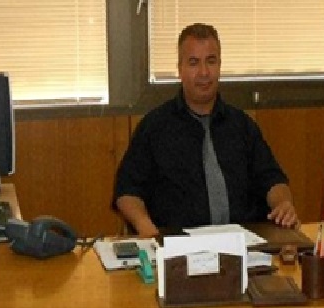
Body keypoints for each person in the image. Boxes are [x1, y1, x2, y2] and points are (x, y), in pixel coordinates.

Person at [113, 23, 299, 237]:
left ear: (219, 65)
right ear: (180, 69)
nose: (204, 72)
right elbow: (127, 191)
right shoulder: (154, 127)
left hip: (244, 243)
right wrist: (144, 225)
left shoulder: (243, 126)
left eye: (211, 61)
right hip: (177, 244)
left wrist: (283, 204)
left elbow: (273, 180)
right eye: (194, 63)